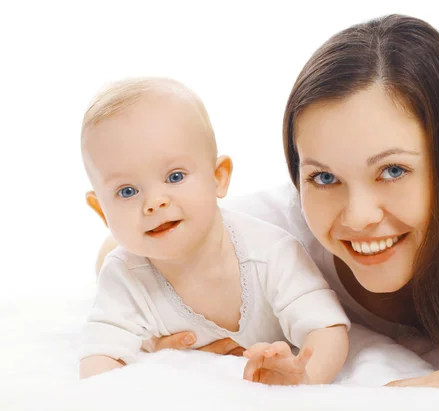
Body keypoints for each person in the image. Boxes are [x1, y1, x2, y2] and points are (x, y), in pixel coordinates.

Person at [95, 15, 439, 396]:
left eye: (394, 171)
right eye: (324, 177)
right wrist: (173, 338)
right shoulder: (282, 235)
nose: (358, 216)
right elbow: (116, 249)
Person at [79, 77, 351, 384]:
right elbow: (100, 357)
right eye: (127, 191)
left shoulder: (272, 253)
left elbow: (327, 328)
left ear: (218, 177)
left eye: (175, 176)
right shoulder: (123, 276)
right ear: (102, 210)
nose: (154, 203)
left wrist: (304, 377)